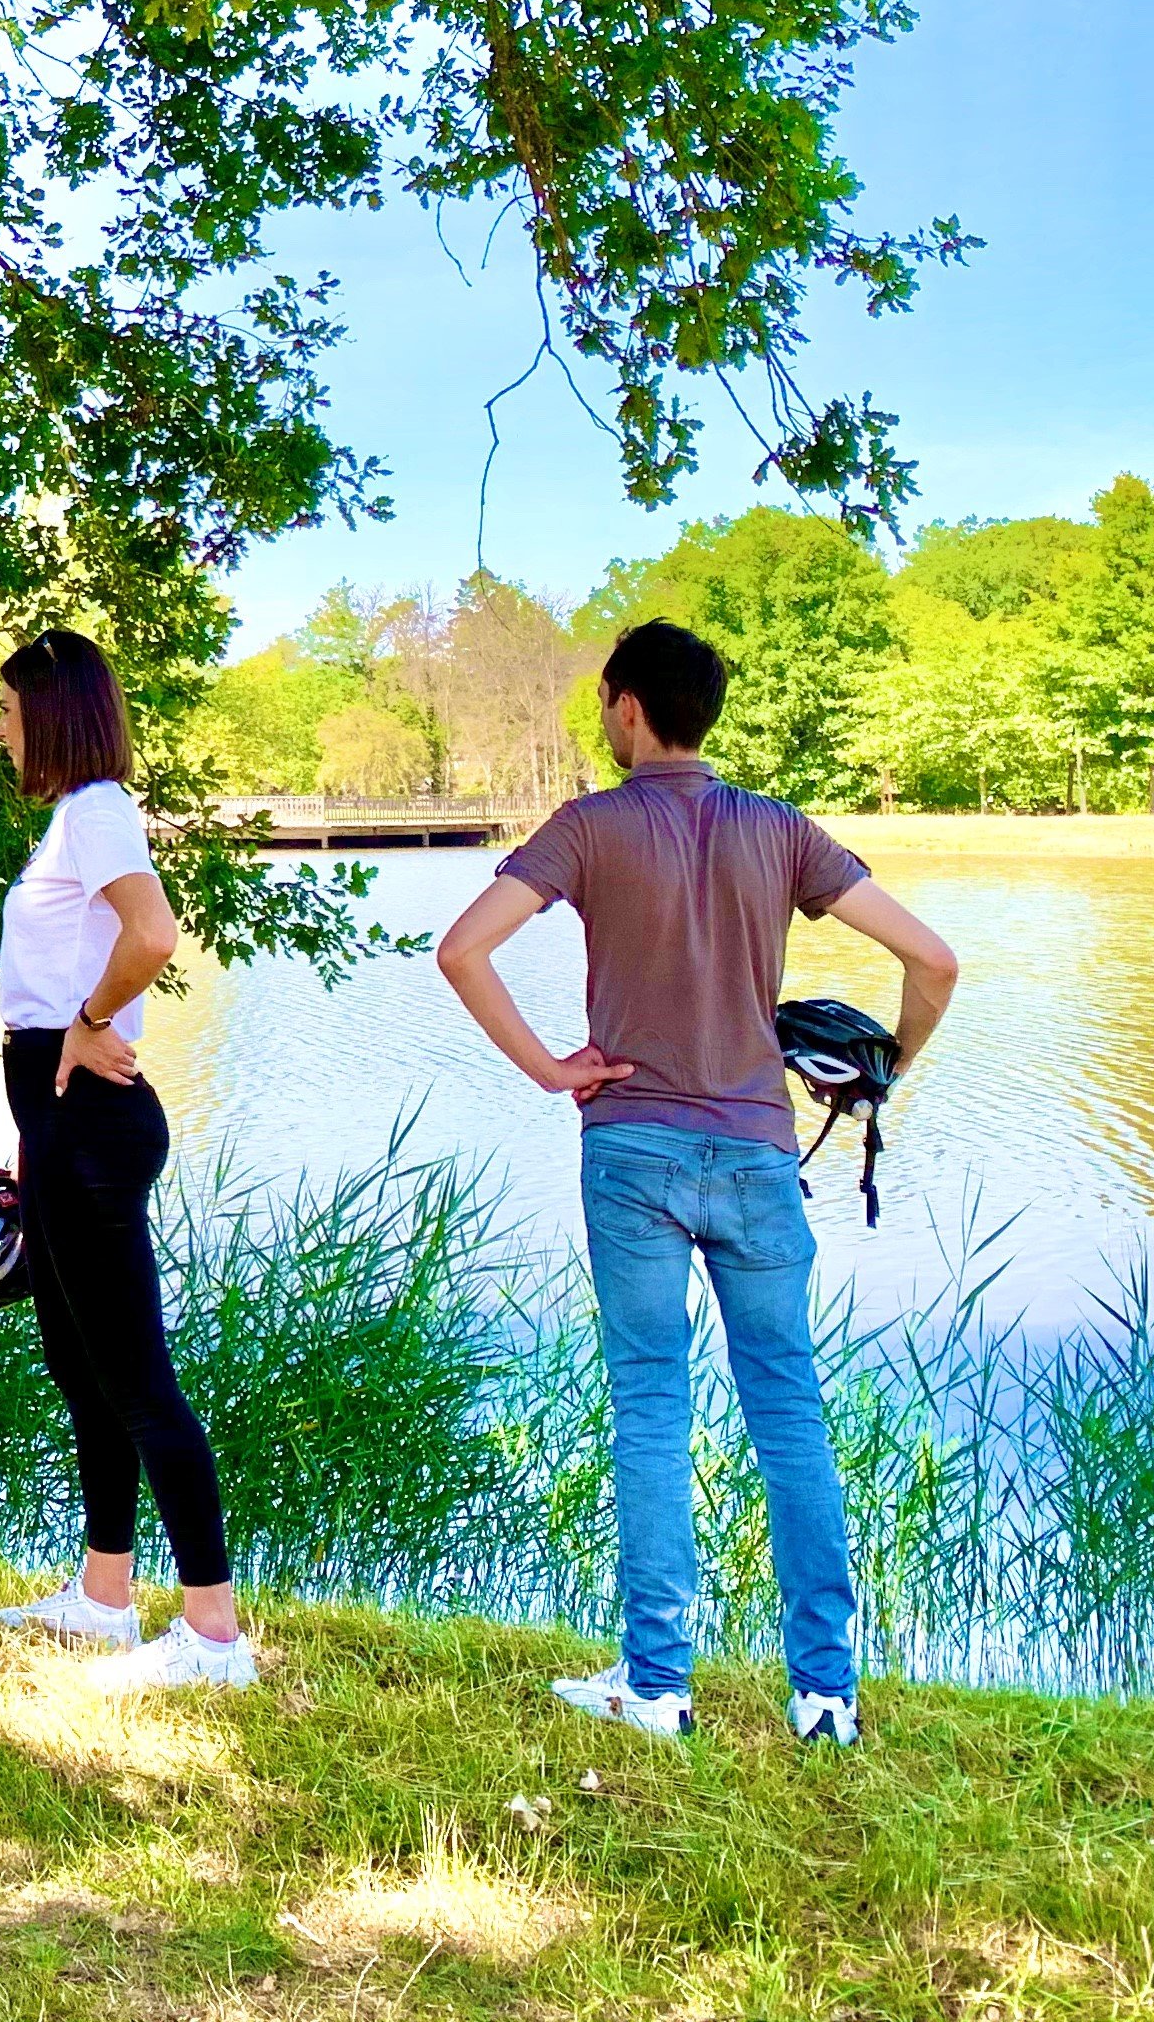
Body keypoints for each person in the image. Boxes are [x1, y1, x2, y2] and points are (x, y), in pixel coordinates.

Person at [435, 617, 958, 1746]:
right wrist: (881, 1074)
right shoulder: (781, 831)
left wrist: (550, 1070)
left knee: (652, 1408)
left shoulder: (588, 827)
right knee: (788, 1410)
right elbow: (934, 959)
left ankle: (658, 1686)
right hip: (761, 1153)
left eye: (608, 705)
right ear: (706, 713)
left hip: (631, 1148)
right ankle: (826, 1695)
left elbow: (462, 950)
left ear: (627, 709)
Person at [0, 627, 259, 1692]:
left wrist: (92, 1021)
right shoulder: (72, 820)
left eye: (7, 711)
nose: (0, 730)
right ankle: (102, 1597)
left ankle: (212, 1635)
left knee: (139, 1382)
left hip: (92, 1121)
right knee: (81, 1367)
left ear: (49, 713)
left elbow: (153, 932)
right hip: (58, 1121)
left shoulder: (97, 812)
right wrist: (26, 1137)